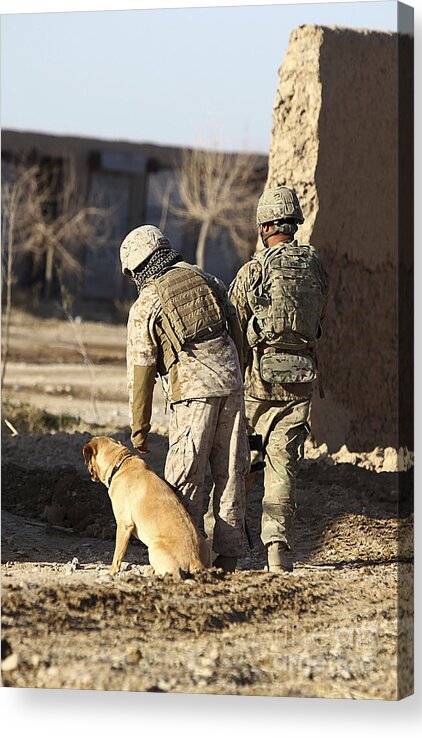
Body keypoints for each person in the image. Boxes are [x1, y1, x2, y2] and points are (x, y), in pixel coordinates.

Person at [120, 225, 249, 573]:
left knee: (184, 475)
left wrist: (139, 429)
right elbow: (236, 331)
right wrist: (237, 375)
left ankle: (185, 554)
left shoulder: (146, 302)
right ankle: (229, 555)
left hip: (193, 392)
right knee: (231, 471)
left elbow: (142, 372)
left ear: (136, 267)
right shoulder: (208, 278)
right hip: (232, 383)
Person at [229, 186, 328, 573]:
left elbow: (235, 327)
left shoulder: (254, 270)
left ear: (266, 226)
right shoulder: (316, 266)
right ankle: (277, 552)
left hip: (258, 386)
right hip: (301, 381)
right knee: (283, 464)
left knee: (238, 463)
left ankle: (221, 548)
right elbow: (318, 320)